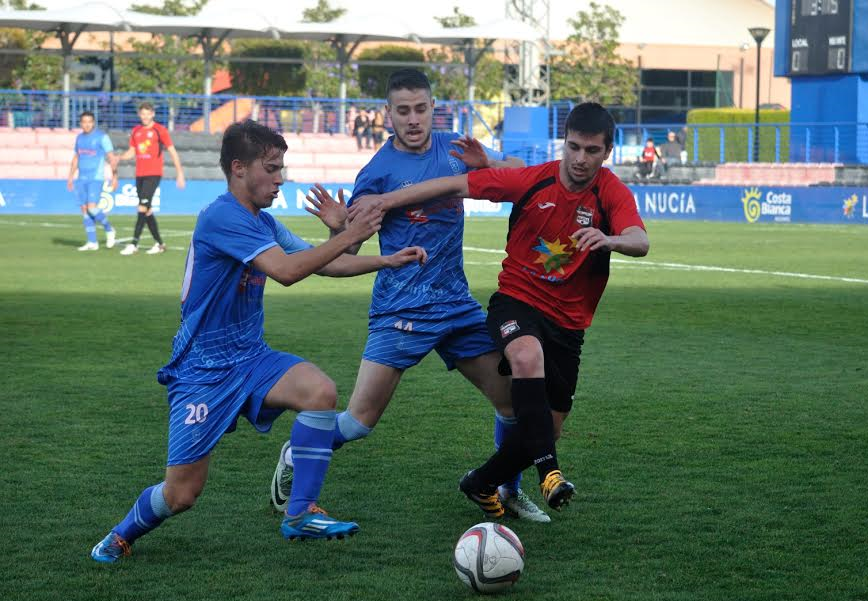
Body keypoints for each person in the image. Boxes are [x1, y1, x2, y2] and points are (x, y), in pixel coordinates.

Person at [90, 120, 427, 564]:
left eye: (281, 167)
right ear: (239, 169)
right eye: (271, 168)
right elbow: (287, 273)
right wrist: (349, 235)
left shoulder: (260, 221)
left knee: (319, 391)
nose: (280, 178)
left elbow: (321, 264)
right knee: (181, 494)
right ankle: (118, 536)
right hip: (203, 372)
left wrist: (383, 257)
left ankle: (300, 511)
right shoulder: (222, 216)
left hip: (250, 358)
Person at [270, 69, 553, 523]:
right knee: (359, 422)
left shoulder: (458, 149)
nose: (414, 119)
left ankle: (508, 489)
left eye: (421, 109)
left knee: (512, 403)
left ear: (433, 108)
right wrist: (337, 226)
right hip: (400, 311)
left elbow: (533, 179)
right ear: (388, 114)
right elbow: (352, 248)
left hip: (456, 307)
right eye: (403, 111)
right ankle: (297, 450)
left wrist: (488, 161)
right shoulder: (377, 173)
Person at [350, 102, 649, 518]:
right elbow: (453, 186)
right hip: (517, 301)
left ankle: (482, 482)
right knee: (527, 356)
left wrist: (610, 239)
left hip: (568, 324)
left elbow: (640, 240)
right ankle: (550, 473)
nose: (581, 159)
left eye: (592, 151)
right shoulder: (533, 180)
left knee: (548, 427)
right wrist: (385, 200)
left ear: (607, 152)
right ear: (563, 143)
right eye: (574, 147)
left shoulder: (610, 192)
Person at [118, 102, 186, 255]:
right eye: (142, 114)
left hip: (153, 174)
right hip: (139, 174)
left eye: (148, 114)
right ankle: (160, 244)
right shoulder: (136, 131)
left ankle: (133, 243)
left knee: (141, 207)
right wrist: (119, 158)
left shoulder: (160, 130)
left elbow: (172, 151)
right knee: (147, 210)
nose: (145, 116)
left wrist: (179, 173)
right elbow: (131, 152)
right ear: (139, 115)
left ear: (153, 114)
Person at [67, 111, 118, 251]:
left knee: (92, 208)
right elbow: (76, 157)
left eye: (89, 121)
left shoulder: (102, 137)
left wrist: (115, 177)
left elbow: (111, 158)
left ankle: (109, 229)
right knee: (84, 210)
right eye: (84, 122)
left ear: (93, 122)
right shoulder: (79, 138)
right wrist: (71, 176)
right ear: (80, 123)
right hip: (81, 178)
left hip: (95, 177)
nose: (87, 124)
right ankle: (92, 242)